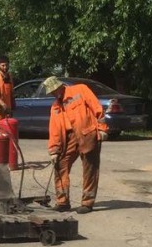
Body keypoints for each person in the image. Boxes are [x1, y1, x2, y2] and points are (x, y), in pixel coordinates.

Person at [43, 76, 109, 214]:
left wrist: (102, 128)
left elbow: (97, 107)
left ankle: (87, 202)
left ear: (60, 86)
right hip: (68, 138)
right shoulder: (55, 106)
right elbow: (54, 130)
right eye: (52, 92)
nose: (54, 93)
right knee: (60, 166)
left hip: (87, 134)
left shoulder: (80, 90)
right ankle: (62, 202)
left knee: (90, 169)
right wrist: (54, 150)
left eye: (55, 90)